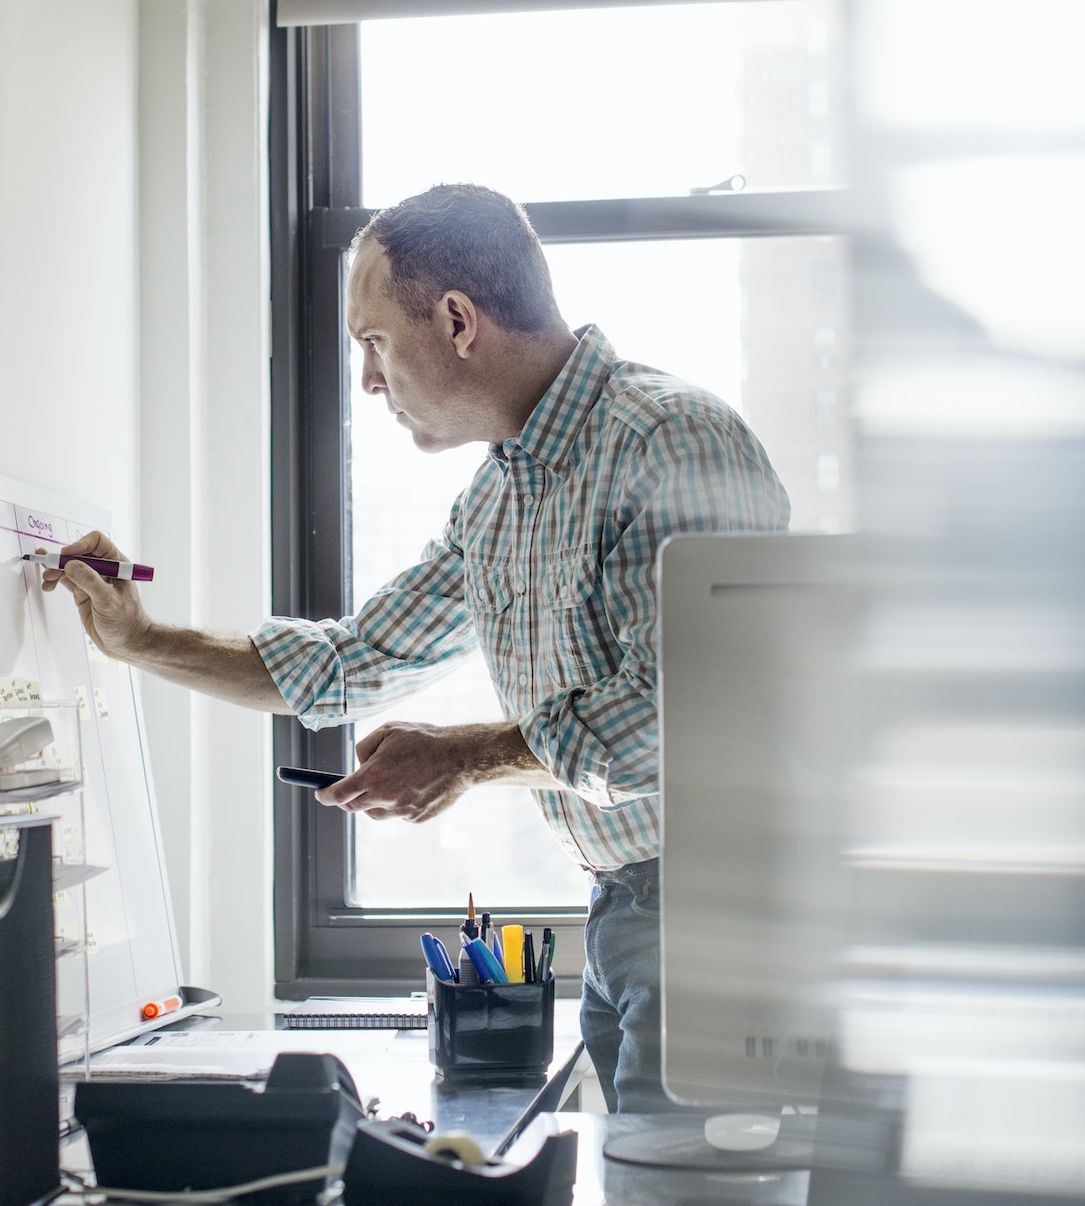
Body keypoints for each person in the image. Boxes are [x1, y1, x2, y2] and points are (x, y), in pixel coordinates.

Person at [42, 183, 788, 1111]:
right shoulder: (499, 498)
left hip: (721, 912)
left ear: (457, 320)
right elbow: (353, 659)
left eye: (373, 341)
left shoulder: (667, 442)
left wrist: (468, 757)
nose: (365, 378)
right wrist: (139, 640)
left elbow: (675, 724)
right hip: (626, 909)